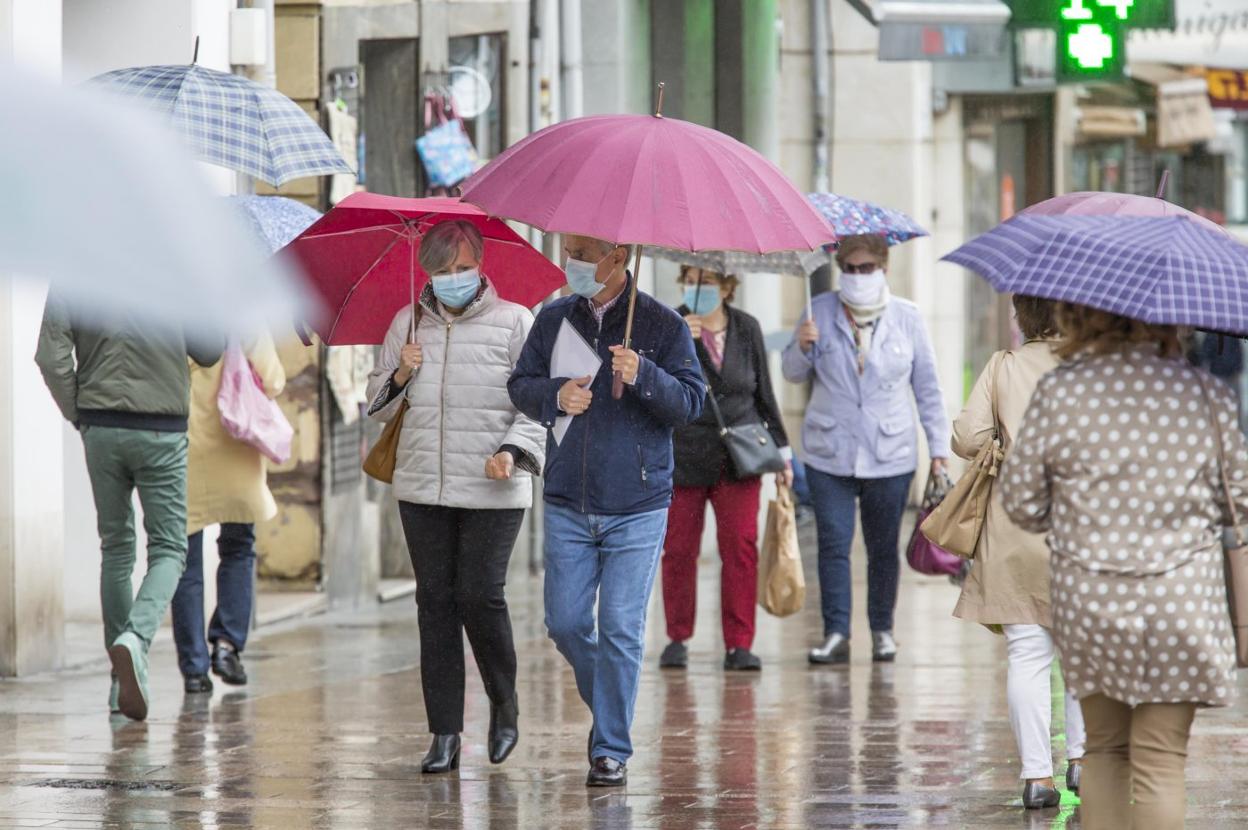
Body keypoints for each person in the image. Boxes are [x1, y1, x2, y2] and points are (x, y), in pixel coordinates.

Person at [1001, 303, 1244, 830]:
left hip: (1092, 606)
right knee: (1160, 760)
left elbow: (1021, 503)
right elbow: (1239, 509)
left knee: (1106, 752)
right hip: (1181, 606)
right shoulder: (1207, 396)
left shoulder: (1061, 394)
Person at [509, 235, 704, 787]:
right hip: (569, 497)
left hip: (638, 502)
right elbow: (520, 386)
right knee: (566, 623)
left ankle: (610, 747)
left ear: (618, 258)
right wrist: (555, 396)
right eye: (566, 248)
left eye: (582, 251)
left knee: (621, 627)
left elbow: (690, 403)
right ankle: (615, 708)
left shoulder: (664, 326)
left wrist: (644, 373)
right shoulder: (552, 319)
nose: (570, 260)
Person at [365, 220, 546, 774]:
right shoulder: (407, 322)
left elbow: (536, 405)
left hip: (493, 483)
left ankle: (504, 702)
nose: (453, 279)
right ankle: (444, 731)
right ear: (427, 273)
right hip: (423, 485)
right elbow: (375, 404)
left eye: (462, 268)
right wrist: (399, 372)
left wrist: (512, 453)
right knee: (434, 605)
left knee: (479, 595)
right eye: (442, 271)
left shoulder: (516, 322)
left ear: (481, 266)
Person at [35, 288, 223, 721]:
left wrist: (78, 411)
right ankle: (136, 640)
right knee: (170, 549)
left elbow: (50, 354)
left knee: (116, 548)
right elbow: (211, 349)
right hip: (162, 428)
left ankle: (120, 682)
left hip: (101, 425)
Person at [781, 233, 949, 664]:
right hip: (829, 450)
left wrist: (939, 450)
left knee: (881, 546)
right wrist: (801, 345)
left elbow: (927, 389)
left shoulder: (907, 318)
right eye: (849, 269)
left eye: (866, 268)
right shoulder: (818, 311)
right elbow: (791, 373)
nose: (857, 276)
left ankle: (882, 630)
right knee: (833, 542)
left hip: (889, 452)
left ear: (884, 268)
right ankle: (836, 631)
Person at [951, 296, 1085, 809]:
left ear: (1024, 316)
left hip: (1015, 527)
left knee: (1027, 654)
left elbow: (967, 437)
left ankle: (1037, 778)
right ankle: (1082, 763)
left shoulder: (1003, 367)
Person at [659, 266, 793, 672]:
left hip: (740, 457)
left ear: (727, 287)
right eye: (690, 279)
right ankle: (677, 637)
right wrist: (681, 342)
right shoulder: (671, 324)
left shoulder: (747, 328)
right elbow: (661, 389)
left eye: (708, 281)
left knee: (740, 548)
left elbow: (763, 392)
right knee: (679, 549)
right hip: (686, 453)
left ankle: (739, 643)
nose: (697, 288)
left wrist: (783, 454)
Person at [171, 332, 286, 694]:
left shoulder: (162, 308)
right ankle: (227, 646)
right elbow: (273, 379)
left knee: (183, 561)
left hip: (181, 442)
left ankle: (193, 668)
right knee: (238, 547)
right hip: (233, 439)